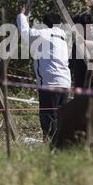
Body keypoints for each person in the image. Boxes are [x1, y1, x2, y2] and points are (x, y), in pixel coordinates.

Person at [17, 7, 71, 139]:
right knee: (61, 117)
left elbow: (24, 32)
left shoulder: (43, 34)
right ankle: (61, 143)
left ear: (45, 24)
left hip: (49, 83)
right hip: (65, 82)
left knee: (48, 116)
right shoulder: (64, 38)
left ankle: (50, 143)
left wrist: (21, 15)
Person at [69, 12, 93, 88]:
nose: (92, 28)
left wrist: (83, 41)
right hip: (80, 82)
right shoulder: (76, 43)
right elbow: (71, 62)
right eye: (88, 26)